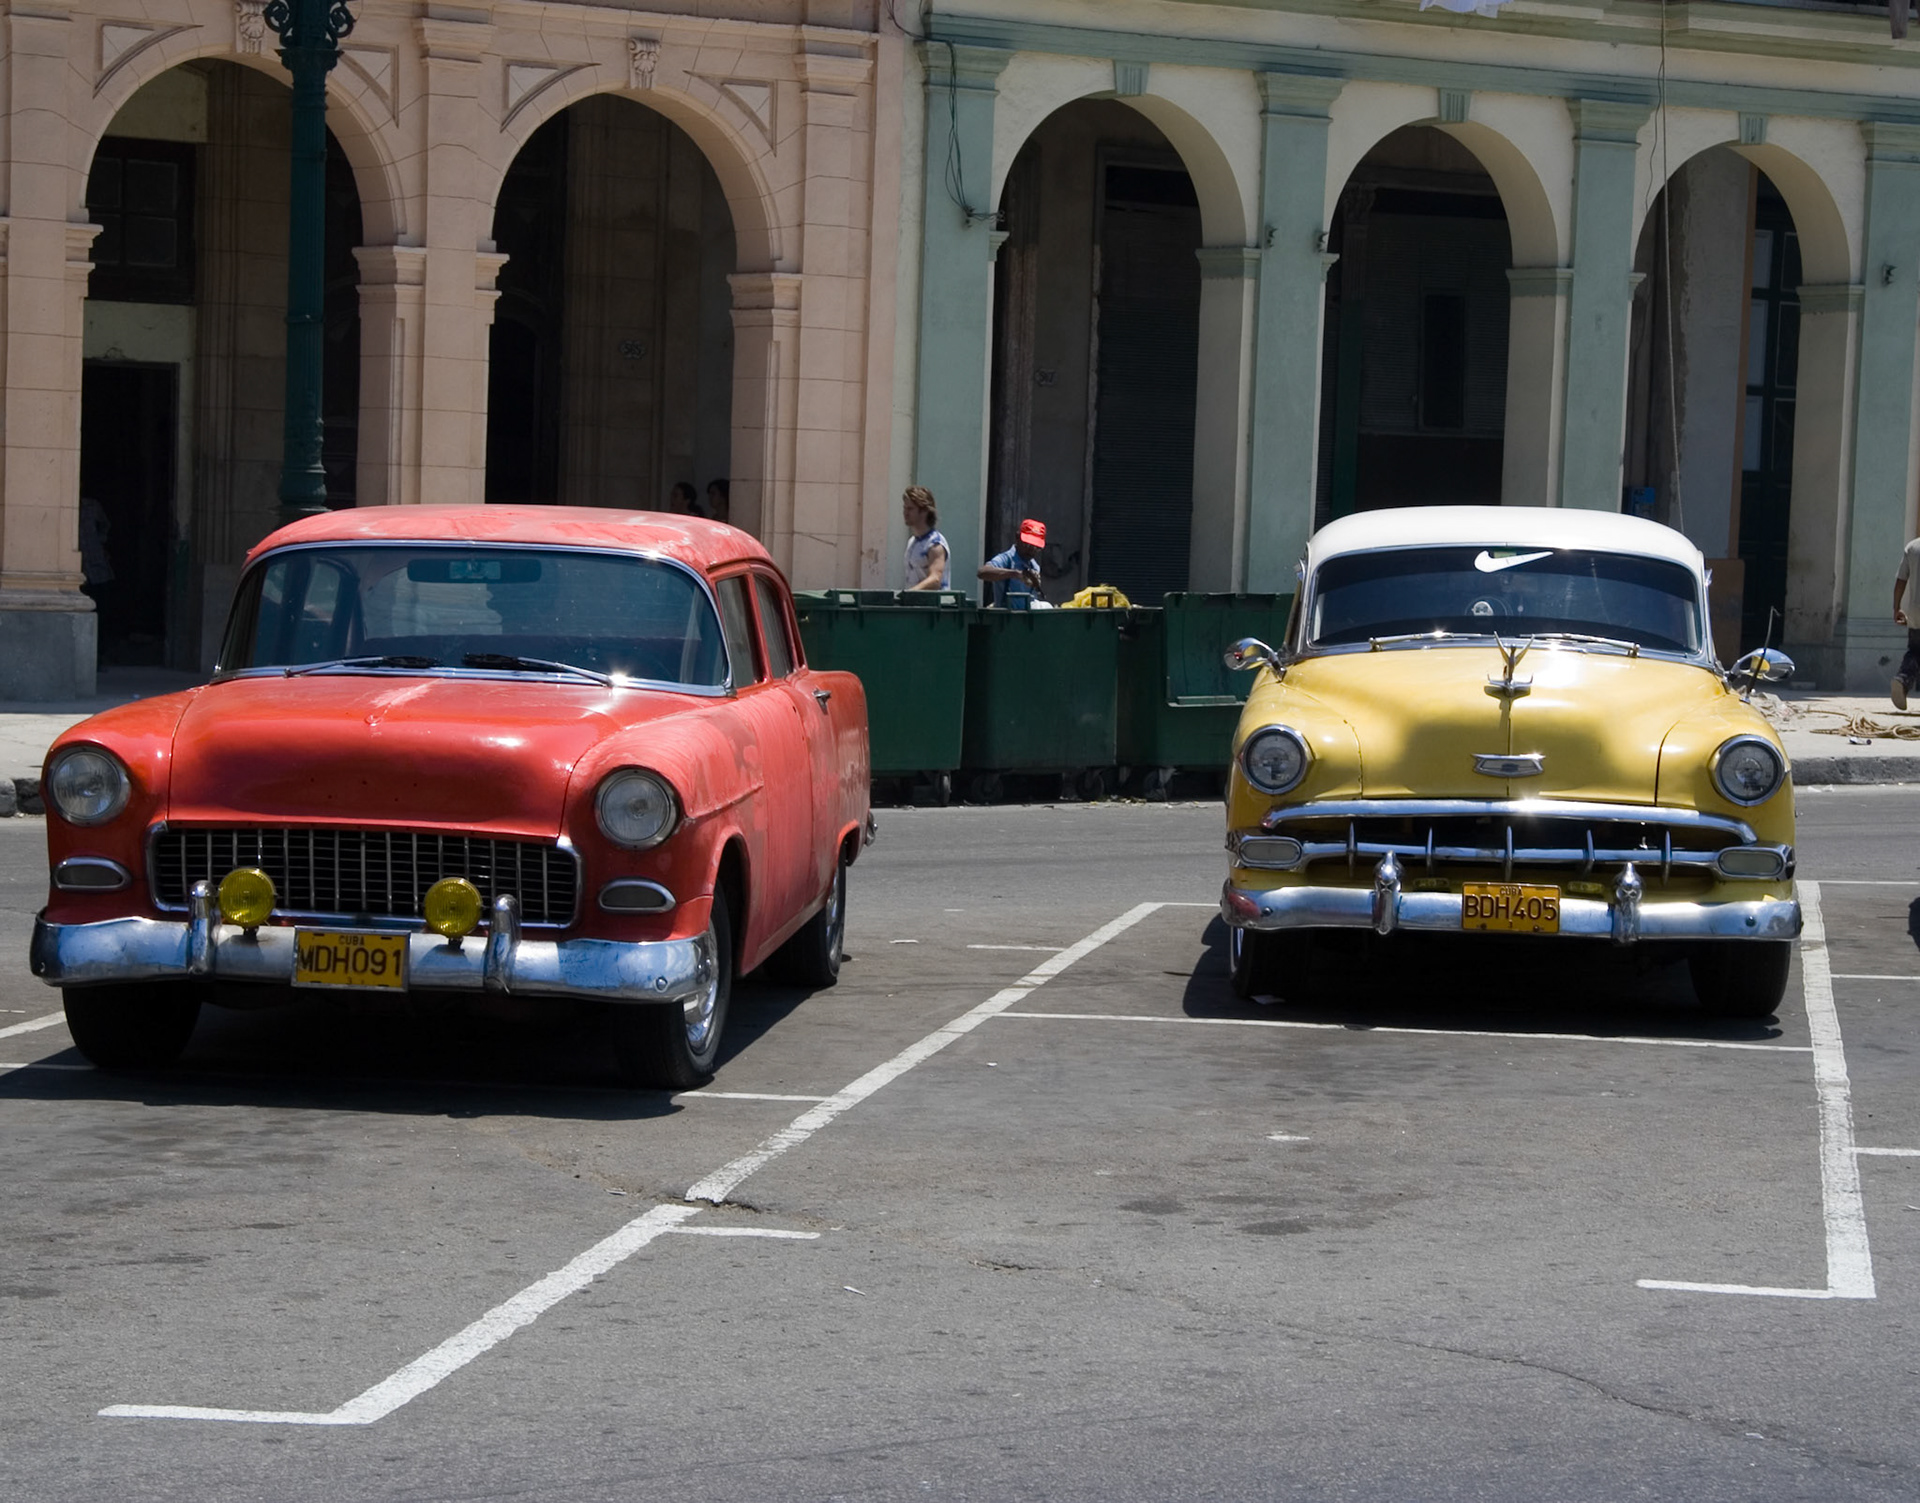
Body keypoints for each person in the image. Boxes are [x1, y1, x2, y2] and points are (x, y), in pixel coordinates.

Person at [979, 518, 1046, 607]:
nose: (1032, 550)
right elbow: (982, 572)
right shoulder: (1007, 560)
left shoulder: (1034, 566)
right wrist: (1016, 574)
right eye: (1028, 545)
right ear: (1017, 537)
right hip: (1006, 615)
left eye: (1036, 547)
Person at [901, 486, 950, 590]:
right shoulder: (912, 542)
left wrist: (910, 593)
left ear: (924, 511)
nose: (905, 512)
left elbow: (935, 579)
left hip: (933, 600)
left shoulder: (935, 544)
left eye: (910, 509)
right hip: (914, 600)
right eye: (904, 508)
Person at [1893, 533, 1920, 708]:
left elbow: (1901, 580)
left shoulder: (1913, 547)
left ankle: (1902, 680)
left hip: (1916, 613)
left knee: (1915, 651)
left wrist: (1896, 608)